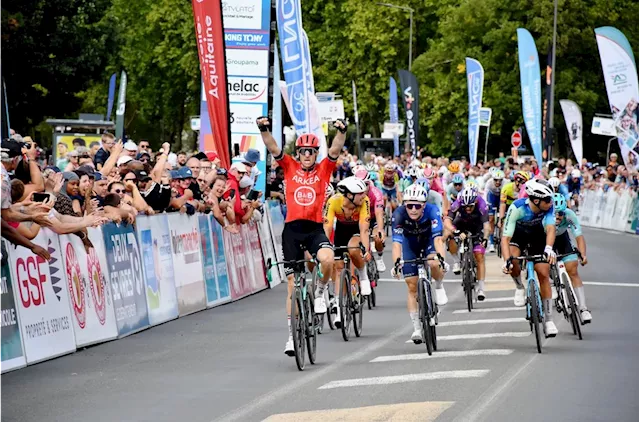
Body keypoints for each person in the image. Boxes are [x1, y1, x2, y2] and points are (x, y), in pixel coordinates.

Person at [256, 116, 346, 357]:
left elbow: (336, 149)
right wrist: (263, 128)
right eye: (303, 151)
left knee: (327, 260)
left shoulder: (324, 169)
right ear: (298, 153)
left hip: (315, 228)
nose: (307, 155)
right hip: (292, 231)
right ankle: (290, 336)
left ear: (316, 153)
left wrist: (342, 131)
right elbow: (273, 146)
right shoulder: (289, 167)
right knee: (293, 285)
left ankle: (320, 292)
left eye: (311, 152)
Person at [391, 184, 449, 344]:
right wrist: (396, 263)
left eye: (417, 206)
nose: (413, 209)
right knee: (411, 286)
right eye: (410, 205)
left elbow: (438, 239)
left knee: (434, 262)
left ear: (424, 205)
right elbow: (396, 244)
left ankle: (438, 285)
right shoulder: (398, 214)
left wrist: (441, 258)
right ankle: (417, 327)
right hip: (410, 245)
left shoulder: (432, 211)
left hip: (429, 241)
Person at [501, 180, 558, 337]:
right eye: (547, 200)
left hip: (538, 236)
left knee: (543, 272)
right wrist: (507, 261)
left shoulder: (548, 207)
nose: (550, 202)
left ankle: (548, 320)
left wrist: (548, 249)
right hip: (519, 235)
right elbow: (505, 238)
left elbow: (551, 228)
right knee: (513, 261)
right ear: (536, 200)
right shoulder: (517, 208)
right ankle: (519, 287)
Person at [323, 177, 371, 327]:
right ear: (349, 195)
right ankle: (339, 309)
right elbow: (328, 227)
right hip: (341, 231)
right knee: (338, 270)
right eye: (360, 193)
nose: (364, 195)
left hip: (357, 231)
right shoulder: (334, 201)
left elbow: (364, 229)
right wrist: (324, 247)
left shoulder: (365, 202)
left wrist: (366, 249)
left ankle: (363, 276)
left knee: (353, 248)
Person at [444, 187, 490, 300]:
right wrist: (455, 231)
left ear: (475, 202)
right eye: (466, 207)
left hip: (476, 226)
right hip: (460, 223)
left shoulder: (482, 205)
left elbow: (486, 226)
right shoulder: (457, 203)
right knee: (448, 234)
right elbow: (447, 221)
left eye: (470, 206)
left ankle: (481, 288)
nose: (468, 208)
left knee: (479, 257)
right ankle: (456, 261)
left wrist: (485, 238)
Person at [552, 194, 591, 323]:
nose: (558, 217)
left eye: (560, 213)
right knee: (543, 266)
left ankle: (583, 309)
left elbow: (579, 236)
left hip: (563, 239)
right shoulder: (543, 216)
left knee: (573, 271)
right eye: (555, 213)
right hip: (546, 240)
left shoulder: (569, 215)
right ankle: (553, 285)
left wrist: (583, 255)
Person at [353, 168, 386, 271]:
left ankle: (379, 257)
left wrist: (380, 229)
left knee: (377, 237)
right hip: (360, 219)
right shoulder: (353, 192)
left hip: (373, 218)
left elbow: (379, 213)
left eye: (366, 185)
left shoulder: (376, 193)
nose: (363, 188)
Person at [484, 169, 504, 252]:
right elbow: (486, 194)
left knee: (502, 218)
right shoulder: (489, 183)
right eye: (496, 180)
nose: (498, 182)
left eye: (500, 180)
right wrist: (486, 204)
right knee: (491, 219)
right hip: (492, 197)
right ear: (493, 179)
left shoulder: (505, 183)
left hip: (501, 196)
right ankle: (491, 243)